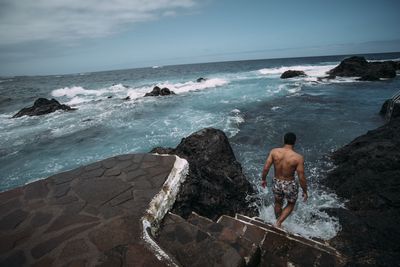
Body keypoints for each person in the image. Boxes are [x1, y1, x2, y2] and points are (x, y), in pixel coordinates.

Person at [261, 132, 308, 228]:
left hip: (277, 181)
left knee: (278, 202)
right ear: (294, 142)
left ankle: (277, 221)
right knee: (291, 204)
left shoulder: (274, 152)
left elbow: (266, 167)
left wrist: (263, 179)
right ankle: (278, 223)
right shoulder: (298, 158)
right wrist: (305, 191)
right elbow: (301, 176)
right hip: (289, 184)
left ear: (283, 140)